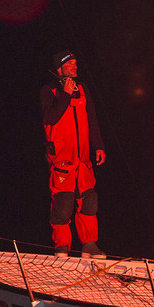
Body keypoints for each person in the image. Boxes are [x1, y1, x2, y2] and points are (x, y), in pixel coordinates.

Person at [40, 49, 106, 258]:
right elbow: (51, 118)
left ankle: (89, 245)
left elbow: (92, 120)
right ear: (60, 69)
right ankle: (62, 246)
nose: (75, 66)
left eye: (76, 63)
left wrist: (99, 145)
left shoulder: (83, 89)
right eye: (71, 64)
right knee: (63, 201)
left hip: (84, 158)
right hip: (62, 158)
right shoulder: (49, 91)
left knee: (88, 199)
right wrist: (66, 95)